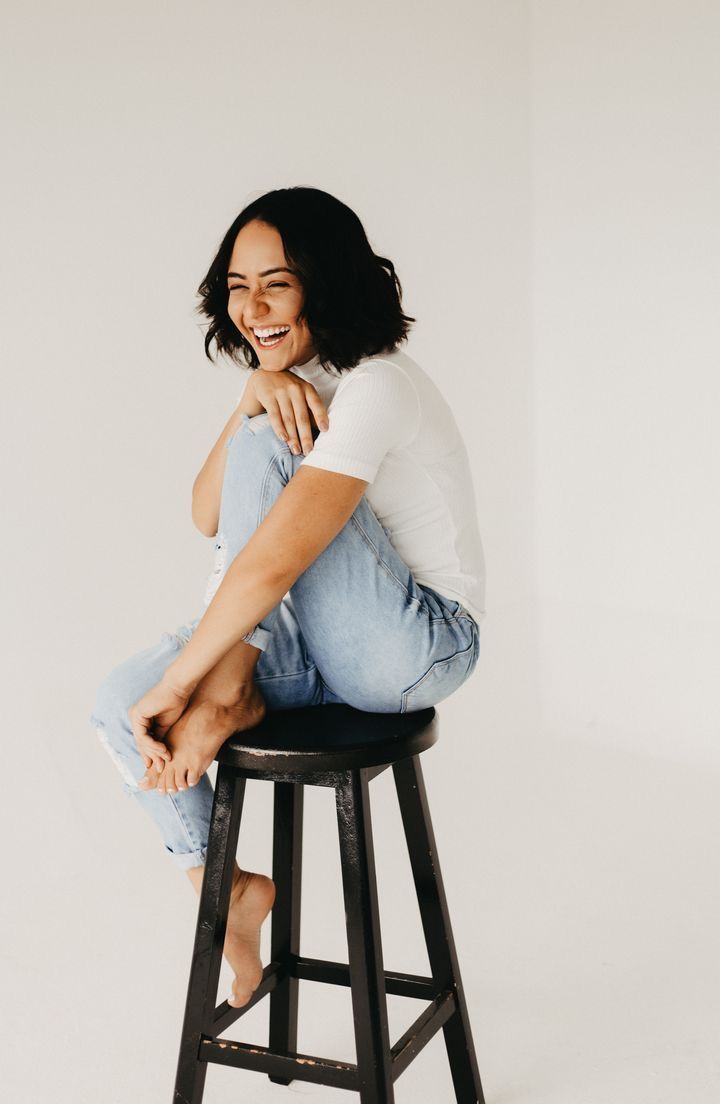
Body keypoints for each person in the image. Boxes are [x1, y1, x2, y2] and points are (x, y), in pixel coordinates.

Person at [90, 186, 485, 1009]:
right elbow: (207, 516)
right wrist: (246, 401)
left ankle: (231, 687)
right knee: (116, 703)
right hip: (324, 643)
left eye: (278, 282)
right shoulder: (293, 385)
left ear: (327, 282)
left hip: (417, 646)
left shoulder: (376, 386)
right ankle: (225, 891)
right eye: (238, 285)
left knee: (167, 689)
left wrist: (191, 681)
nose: (253, 306)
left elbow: (270, 564)